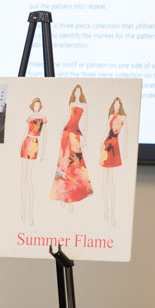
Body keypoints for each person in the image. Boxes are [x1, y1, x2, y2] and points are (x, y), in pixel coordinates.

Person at [49, 84, 93, 212]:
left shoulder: (84, 105)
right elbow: (67, 118)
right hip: (66, 133)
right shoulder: (71, 103)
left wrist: (86, 137)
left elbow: (86, 121)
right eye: (76, 91)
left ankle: (73, 194)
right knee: (62, 163)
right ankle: (62, 194)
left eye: (80, 91)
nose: (78, 93)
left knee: (74, 164)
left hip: (75, 134)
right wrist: (59, 131)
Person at [99, 96, 128, 226]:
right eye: (114, 104)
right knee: (104, 181)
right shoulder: (111, 116)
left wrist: (126, 150)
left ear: (120, 105)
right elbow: (106, 130)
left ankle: (113, 212)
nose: (116, 106)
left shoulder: (123, 118)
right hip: (107, 146)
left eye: (118, 104)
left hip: (114, 147)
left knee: (110, 181)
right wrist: (100, 144)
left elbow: (126, 134)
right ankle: (105, 209)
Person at [19, 97, 47, 225]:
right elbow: (26, 131)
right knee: (23, 178)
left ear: (39, 106)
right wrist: (20, 143)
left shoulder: (42, 117)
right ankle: (23, 211)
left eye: (38, 105)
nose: (36, 107)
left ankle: (31, 213)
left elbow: (45, 135)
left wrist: (43, 152)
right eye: (34, 105)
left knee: (29, 179)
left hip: (34, 144)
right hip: (26, 143)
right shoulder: (30, 117)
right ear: (32, 106)